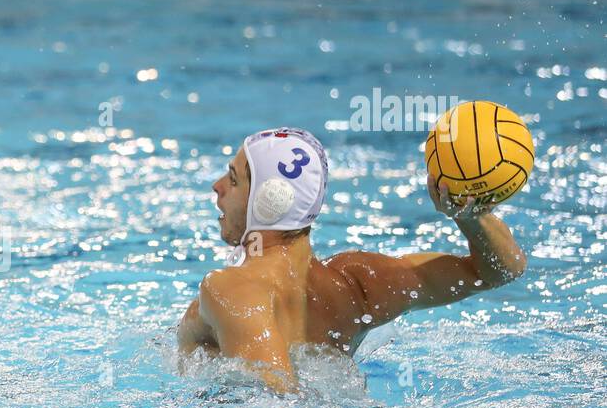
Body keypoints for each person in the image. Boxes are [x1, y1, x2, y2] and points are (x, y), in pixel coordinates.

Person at [177, 127, 527, 393]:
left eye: (234, 179)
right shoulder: (357, 284)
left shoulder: (230, 289)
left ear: (268, 202)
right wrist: (469, 217)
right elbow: (498, 270)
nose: (217, 186)